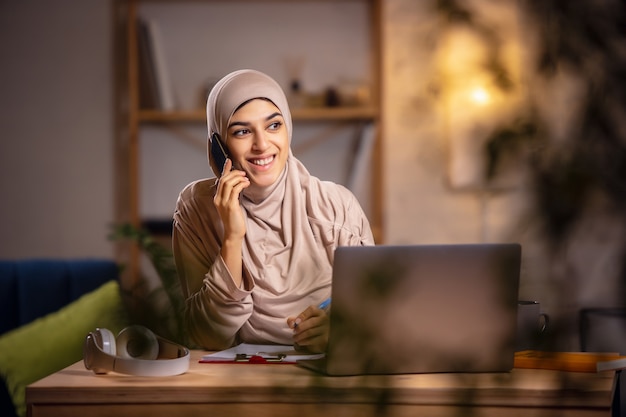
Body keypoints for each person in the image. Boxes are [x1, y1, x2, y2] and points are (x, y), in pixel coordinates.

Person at [172, 69, 374, 353]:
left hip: (321, 380)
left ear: (288, 128)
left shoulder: (336, 207)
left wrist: (339, 333)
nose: (262, 144)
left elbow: (376, 319)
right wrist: (232, 236)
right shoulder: (197, 208)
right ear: (219, 146)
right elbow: (206, 336)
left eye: (273, 125)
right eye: (242, 131)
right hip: (232, 383)